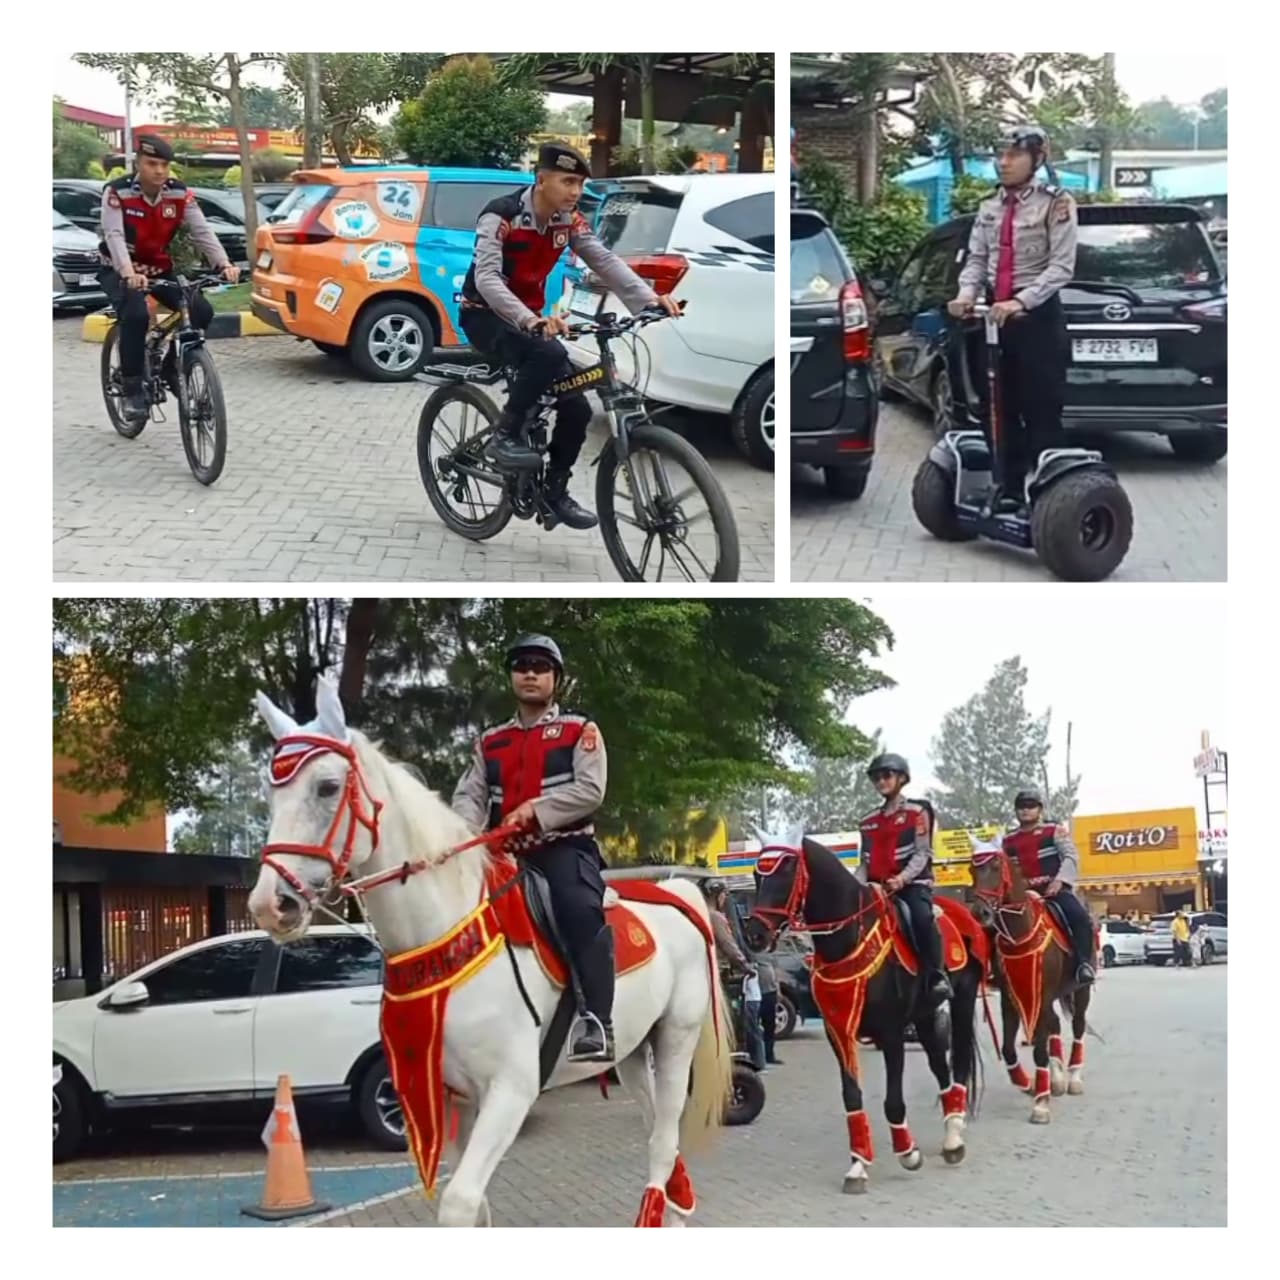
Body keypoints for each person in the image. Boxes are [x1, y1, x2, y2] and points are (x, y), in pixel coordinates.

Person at [458, 141, 682, 531]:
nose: (576, 192)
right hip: (485, 315)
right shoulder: (501, 215)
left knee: (577, 407)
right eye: (568, 181)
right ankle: (504, 435)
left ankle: (555, 492)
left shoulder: (569, 220)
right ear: (541, 179)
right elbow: (488, 279)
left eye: (580, 183)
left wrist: (649, 300)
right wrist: (530, 320)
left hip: (532, 321)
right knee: (544, 355)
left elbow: (604, 259)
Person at [451, 633, 614, 1062]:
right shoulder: (491, 742)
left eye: (540, 667)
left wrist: (535, 811)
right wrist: (464, 835)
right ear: (511, 676)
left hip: (564, 848)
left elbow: (590, 790)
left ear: (555, 679)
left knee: (579, 908)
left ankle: (597, 1021)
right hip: (503, 854)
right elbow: (471, 794)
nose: (530, 673)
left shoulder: (580, 730)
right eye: (521, 665)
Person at [946, 125, 1077, 509]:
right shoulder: (989, 207)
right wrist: (965, 294)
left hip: (1035, 319)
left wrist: (1020, 302)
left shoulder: (1057, 203)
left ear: (1037, 159)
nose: (1004, 162)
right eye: (1000, 155)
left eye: (1014, 155)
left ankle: (1051, 497)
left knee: (1041, 410)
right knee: (995, 408)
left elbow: (1062, 267)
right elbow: (977, 259)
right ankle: (1007, 487)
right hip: (993, 319)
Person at [98, 135, 239, 425]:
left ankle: (171, 366)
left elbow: (202, 231)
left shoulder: (179, 193)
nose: (159, 171)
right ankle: (133, 387)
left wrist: (223, 263)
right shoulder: (117, 192)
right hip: (118, 268)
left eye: (164, 164)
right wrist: (127, 272)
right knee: (136, 315)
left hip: (157, 269)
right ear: (138, 163)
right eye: (152, 163)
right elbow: (114, 235)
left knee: (200, 310)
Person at [857, 753, 951, 1007]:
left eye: (886, 775)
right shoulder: (867, 822)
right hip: (877, 889)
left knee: (921, 917)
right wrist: (857, 887)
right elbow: (864, 862)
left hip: (911, 886)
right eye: (876, 777)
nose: (881, 781)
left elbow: (923, 853)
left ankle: (936, 976)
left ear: (902, 778)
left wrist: (902, 879)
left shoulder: (917, 812)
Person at [1001, 789, 1096, 985]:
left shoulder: (1054, 831)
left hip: (1053, 891)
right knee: (993, 922)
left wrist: (1060, 881)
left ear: (1040, 809)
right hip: (1021, 895)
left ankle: (1083, 964)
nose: (1025, 810)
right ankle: (994, 969)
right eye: (1021, 807)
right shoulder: (1008, 840)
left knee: (1079, 918)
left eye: (1030, 806)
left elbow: (1071, 856)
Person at [754, 949, 783, 1066]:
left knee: (770, 1026)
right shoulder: (752, 952)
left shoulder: (771, 953)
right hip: (756, 994)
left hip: (770, 993)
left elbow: (776, 973)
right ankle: (757, 1056)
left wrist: (778, 990)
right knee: (754, 1027)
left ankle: (769, 1055)